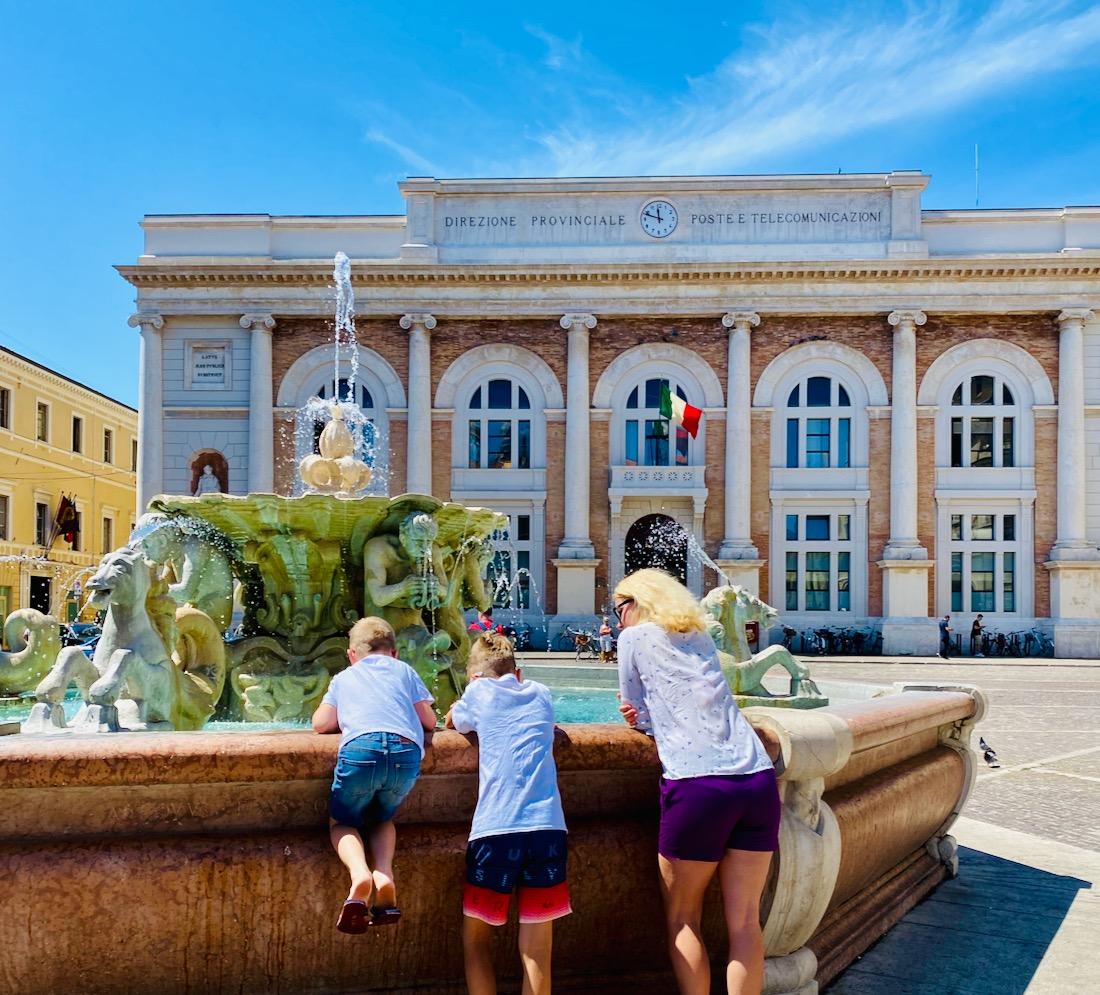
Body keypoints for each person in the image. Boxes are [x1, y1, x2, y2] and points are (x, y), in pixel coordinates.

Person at [615, 569, 779, 995]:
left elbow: (635, 707)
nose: (617, 620)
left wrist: (638, 716)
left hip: (697, 781)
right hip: (756, 776)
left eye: (619, 608)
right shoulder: (701, 634)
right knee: (745, 921)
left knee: (684, 917)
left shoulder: (633, 638)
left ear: (637, 603)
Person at [446, 631, 570, 995]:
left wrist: (460, 702)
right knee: (538, 952)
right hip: (548, 829)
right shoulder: (541, 693)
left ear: (475, 676)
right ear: (518, 672)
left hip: (495, 831)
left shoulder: (478, 693)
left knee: (476, 942)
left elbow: (456, 721)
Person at [311, 616, 437, 934]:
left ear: (353, 654)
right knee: (383, 817)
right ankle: (384, 873)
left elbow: (320, 724)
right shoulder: (405, 671)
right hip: (405, 755)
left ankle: (359, 876)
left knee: (342, 822)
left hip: (361, 753)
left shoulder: (344, 677)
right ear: (394, 653)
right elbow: (430, 721)